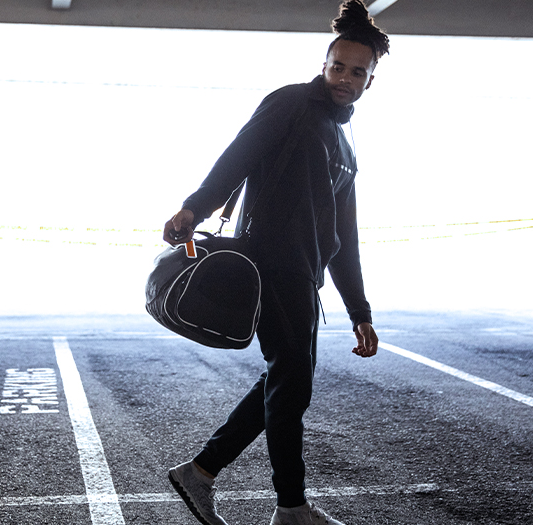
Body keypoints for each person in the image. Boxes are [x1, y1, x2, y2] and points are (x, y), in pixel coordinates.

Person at [163, 2, 389, 524]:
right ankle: (290, 508)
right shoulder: (290, 104)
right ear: (325, 62)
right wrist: (195, 206)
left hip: (304, 277)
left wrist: (359, 308)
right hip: (266, 263)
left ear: (370, 82)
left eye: (358, 72)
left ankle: (200, 472)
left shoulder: (345, 145)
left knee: (287, 379)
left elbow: (343, 236)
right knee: (292, 381)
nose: (345, 78)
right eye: (338, 66)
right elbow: (237, 157)